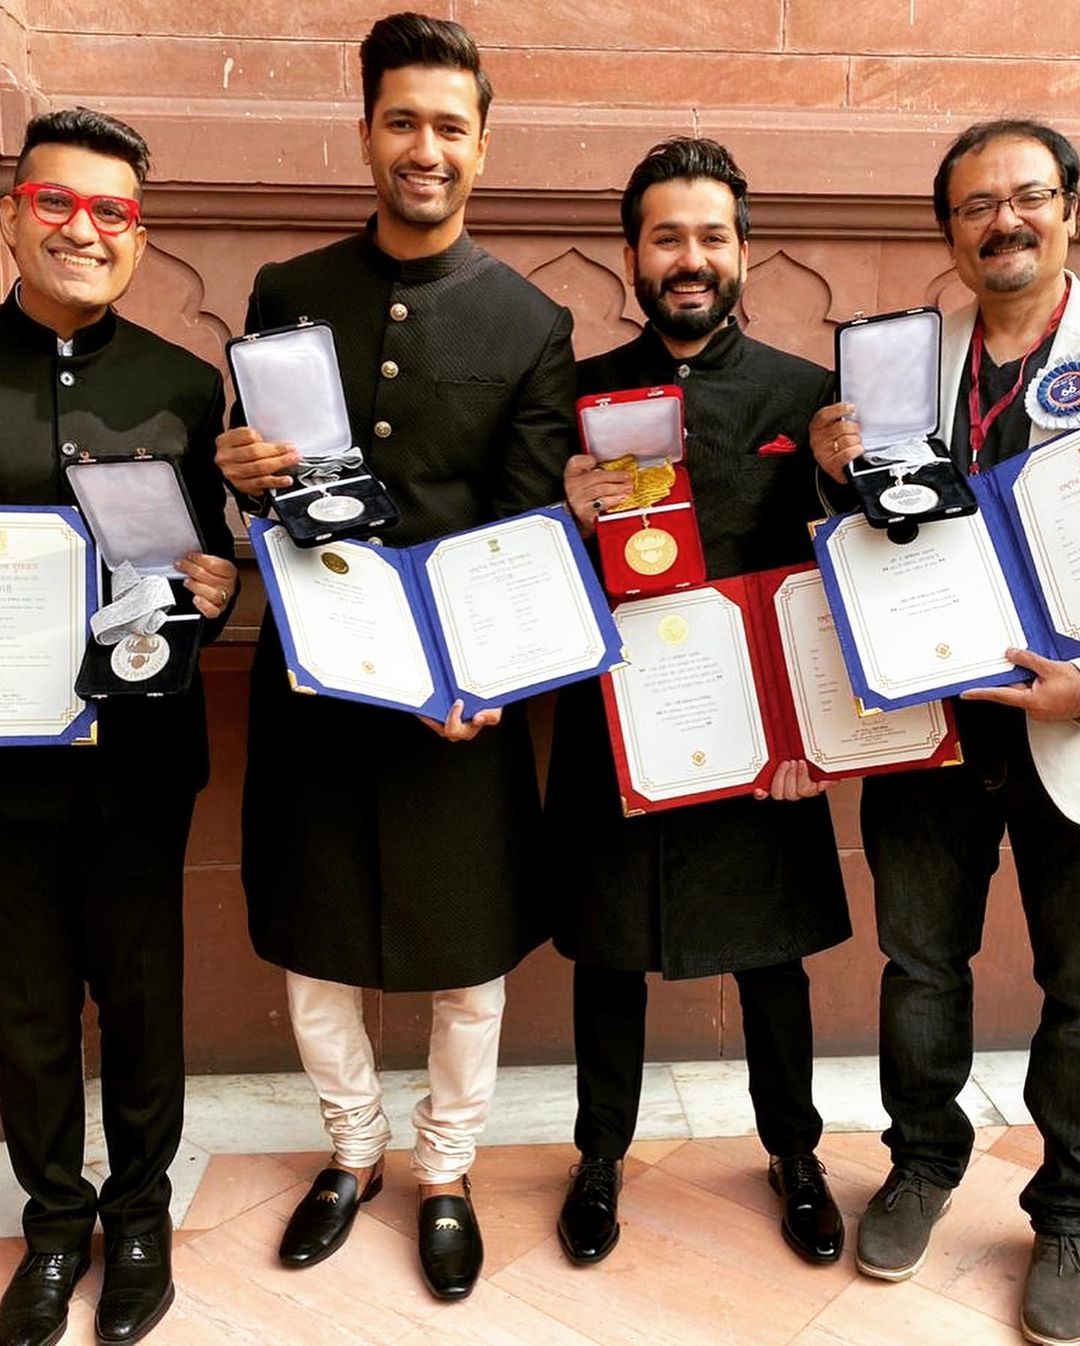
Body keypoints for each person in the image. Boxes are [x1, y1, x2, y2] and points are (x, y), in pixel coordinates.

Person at [214, 12, 575, 1301]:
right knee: (315, 945)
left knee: (466, 959)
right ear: (365, 130)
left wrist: (479, 682)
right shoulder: (289, 291)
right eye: (403, 120)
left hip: (453, 699)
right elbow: (261, 489)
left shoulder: (531, 319)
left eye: (450, 127)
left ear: (484, 145)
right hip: (316, 680)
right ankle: (354, 1148)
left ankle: (446, 1166)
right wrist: (241, 471)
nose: (427, 148)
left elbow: (523, 528)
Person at [545, 137, 851, 1271]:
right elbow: (525, 575)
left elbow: (825, 575)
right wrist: (565, 514)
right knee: (607, 955)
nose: (690, 257)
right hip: (619, 721)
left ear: (743, 252)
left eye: (711, 236)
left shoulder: (803, 396)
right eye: (666, 236)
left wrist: (810, 734)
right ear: (631, 254)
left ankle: (796, 1153)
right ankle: (599, 1157)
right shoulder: (573, 395)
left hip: (760, 733)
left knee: (774, 960)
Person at [812, 118, 1080, 1346]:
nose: (1004, 221)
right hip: (930, 729)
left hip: (1069, 726)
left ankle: (1070, 1212)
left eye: (1028, 196)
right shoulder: (903, 369)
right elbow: (872, 535)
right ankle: (922, 1159)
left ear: (1069, 209)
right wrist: (835, 472)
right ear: (949, 232)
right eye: (977, 205)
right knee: (920, 964)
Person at [0, 108, 237, 1346]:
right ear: (14, 215)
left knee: (143, 1000)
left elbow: (209, 564)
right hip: (3, 768)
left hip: (141, 756)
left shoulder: (184, 385)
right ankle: (52, 1223)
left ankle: (139, 1217)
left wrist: (218, 588)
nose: (83, 230)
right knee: (25, 1009)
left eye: (113, 211)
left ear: (140, 236)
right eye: (57, 202)